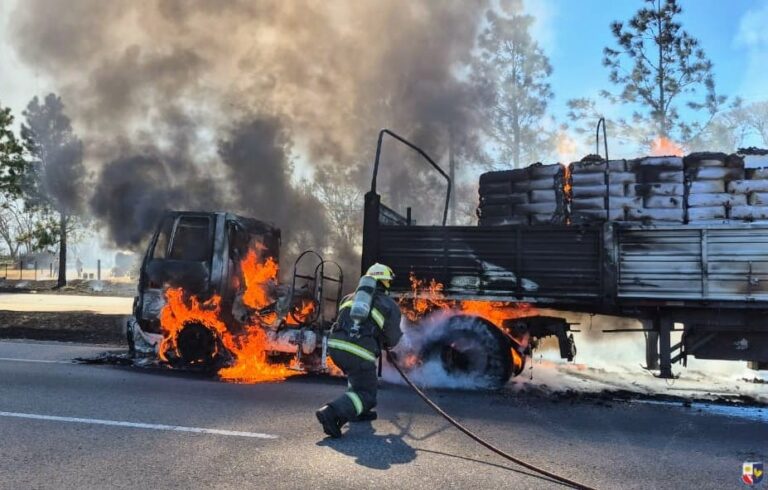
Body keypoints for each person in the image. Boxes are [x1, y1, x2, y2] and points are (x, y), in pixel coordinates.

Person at [316, 263, 403, 438]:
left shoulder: (349, 298)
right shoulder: (389, 304)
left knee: (358, 379)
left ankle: (358, 412)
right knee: (367, 393)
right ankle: (331, 413)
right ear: (385, 282)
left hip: (335, 347)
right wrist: (382, 341)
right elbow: (393, 339)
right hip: (358, 351)